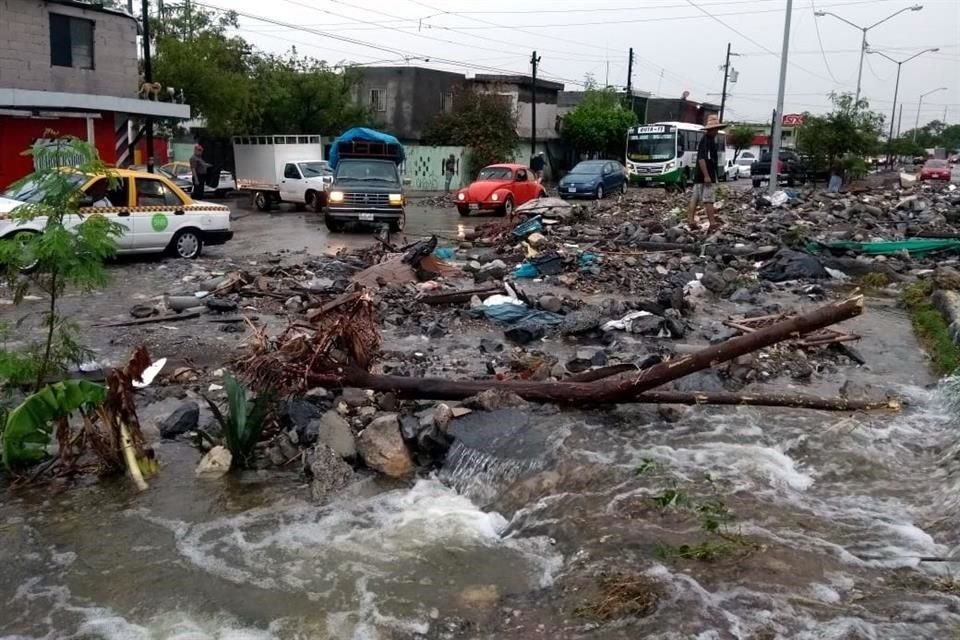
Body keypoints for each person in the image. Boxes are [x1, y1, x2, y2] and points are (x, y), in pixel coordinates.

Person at [686, 115, 723, 230]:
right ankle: (712, 223)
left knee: (695, 198)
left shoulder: (708, 140)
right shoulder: (707, 141)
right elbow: (702, 159)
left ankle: (690, 220)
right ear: (711, 129)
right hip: (705, 175)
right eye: (716, 129)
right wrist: (707, 176)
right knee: (709, 199)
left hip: (699, 175)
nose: (717, 131)